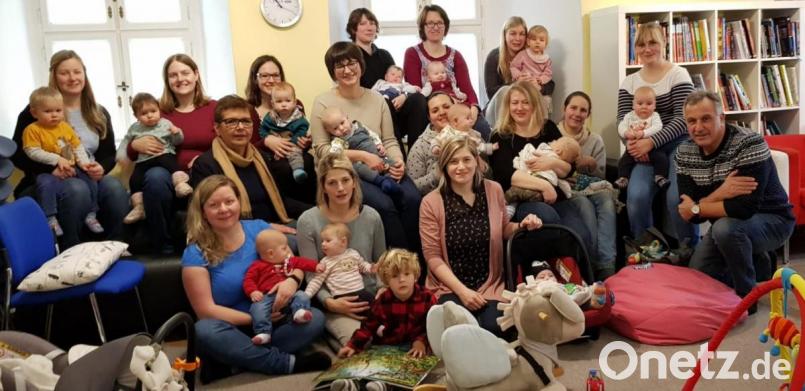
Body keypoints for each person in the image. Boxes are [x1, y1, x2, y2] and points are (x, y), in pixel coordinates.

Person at [182, 175, 329, 380]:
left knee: (315, 319)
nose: (224, 209)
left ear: (239, 202)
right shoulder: (195, 252)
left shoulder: (259, 228)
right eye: (214, 205)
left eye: (229, 201)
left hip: (276, 321)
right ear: (204, 212)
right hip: (232, 328)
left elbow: (295, 264)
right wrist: (257, 318)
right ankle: (285, 363)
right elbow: (206, 311)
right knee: (204, 330)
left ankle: (234, 362)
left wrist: (292, 280)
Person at [676, 91, 794, 311]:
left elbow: (744, 208)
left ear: (721, 118)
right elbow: (688, 215)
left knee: (725, 229)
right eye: (691, 121)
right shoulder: (684, 152)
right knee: (699, 275)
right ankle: (758, 261)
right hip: (727, 223)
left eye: (706, 118)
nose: (698, 127)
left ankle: (747, 297)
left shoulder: (748, 143)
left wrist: (697, 207)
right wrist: (722, 191)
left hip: (773, 220)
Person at [420, 137, 542, 337]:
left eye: (466, 160)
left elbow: (502, 229)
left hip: (489, 283)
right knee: (456, 332)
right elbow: (432, 256)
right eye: (453, 161)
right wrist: (462, 291)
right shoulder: (430, 202)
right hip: (450, 285)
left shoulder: (494, 190)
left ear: (477, 161)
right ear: (444, 166)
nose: (461, 167)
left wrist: (522, 225)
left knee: (498, 329)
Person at [310, 41, 421, 254]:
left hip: (382, 163)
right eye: (339, 66)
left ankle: (419, 266)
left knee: (413, 198)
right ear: (332, 72)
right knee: (385, 205)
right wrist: (361, 156)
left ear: (361, 65)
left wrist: (398, 163)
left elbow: (389, 140)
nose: (347, 70)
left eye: (352, 63)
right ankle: (400, 266)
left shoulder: (377, 99)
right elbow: (322, 151)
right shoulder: (323, 102)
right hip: (346, 173)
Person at [12, 50, 128, 249]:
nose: (72, 78)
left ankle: (115, 247)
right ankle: (71, 249)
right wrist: (51, 169)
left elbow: (108, 153)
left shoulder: (98, 112)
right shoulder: (36, 111)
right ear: (54, 77)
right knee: (77, 189)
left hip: (86, 173)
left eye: (77, 71)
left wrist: (101, 167)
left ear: (84, 74)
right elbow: (19, 153)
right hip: (47, 180)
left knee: (114, 188)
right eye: (64, 73)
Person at [489, 81, 597, 270]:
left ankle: (585, 280)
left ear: (534, 105)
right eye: (515, 103)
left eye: (525, 102)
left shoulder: (547, 128)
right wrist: (544, 186)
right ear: (508, 105)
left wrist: (552, 163)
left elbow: (569, 168)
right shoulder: (501, 135)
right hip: (523, 199)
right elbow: (506, 175)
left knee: (580, 234)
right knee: (550, 222)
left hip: (558, 197)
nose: (519, 107)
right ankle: (557, 276)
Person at [126, 53, 218, 254]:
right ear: (167, 81)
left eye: (185, 72)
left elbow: (226, 141)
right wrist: (136, 145)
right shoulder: (157, 110)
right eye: (173, 75)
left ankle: (212, 243)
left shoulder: (213, 108)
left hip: (205, 171)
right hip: (167, 174)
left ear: (196, 75)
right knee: (155, 176)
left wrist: (205, 158)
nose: (180, 79)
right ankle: (163, 247)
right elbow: (131, 153)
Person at [617, 22, 697, 243]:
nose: (647, 48)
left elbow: (684, 120)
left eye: (652, 42)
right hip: (641, 150)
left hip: (678, 145)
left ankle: (689, 253)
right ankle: (646, 253)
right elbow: (622, 120)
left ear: (664, 43)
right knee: (636, 198)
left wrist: (651, 142)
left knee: (676, 199)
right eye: (641, 44)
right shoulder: (629, 82)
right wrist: (632, 145)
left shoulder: (678, 75)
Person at [296, 154, 386, 347]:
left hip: (371, 296)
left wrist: (383, 291)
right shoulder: (308, 221)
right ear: (323, 187)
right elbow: (312, 274)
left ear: (354, 182)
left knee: (400, 332)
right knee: (360, 343)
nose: (340, 188)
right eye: (332, 183)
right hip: (337, 300)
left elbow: (381, 262)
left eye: (345, 180)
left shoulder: (371, 216)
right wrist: (330, 303)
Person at [189, 95, 307, 224]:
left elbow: (281, 201)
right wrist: (263, 228)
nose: (240, 127)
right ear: (217, 128)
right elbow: (213, 217)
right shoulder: (205, 165)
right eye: (231, 122)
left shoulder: (262, 157)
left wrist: (318, 212)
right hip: (236, 233)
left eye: (246, 121)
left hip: (275, 223)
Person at [403, 4, 492, 140]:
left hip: (458, 107)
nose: (436, 27)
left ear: (445, 26)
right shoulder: (412, 53)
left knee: (482, 128)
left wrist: (474, 108)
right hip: (431, 110)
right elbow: (417, 93)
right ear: (423, 26)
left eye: (440, 23)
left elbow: (467, 88)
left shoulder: (456, 55)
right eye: (430, 23)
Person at [22, 87, 101, 236]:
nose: (54, 115)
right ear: (34, 113)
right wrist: (56, 160)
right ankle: (50, 217)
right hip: (48, 171)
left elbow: (77, 147)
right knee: (45, 184)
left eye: (58, 111)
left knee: (90, 178)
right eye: (48, 111)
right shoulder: (32, 130)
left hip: (72, 167)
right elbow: (32, 151)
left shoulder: (65, 127)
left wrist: (84, 163)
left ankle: (92, 214)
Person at [348, 8, 429, 150]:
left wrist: (404, 96)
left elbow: (396, 83)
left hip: (395, 107)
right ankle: (399, 160)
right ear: (354, 29)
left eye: (372, 23)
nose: (369, 27)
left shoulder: (384, 55)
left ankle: (416, 154)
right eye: (363, 23)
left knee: (418, 99)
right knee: (384, 101)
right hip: (369, 111)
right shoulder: (350, 56)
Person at [557, 91, 617, 279]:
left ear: (588, 115)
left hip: (591, 185)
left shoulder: (595, 140)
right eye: (573, 107)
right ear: (564, 109)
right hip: (565, 187)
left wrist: (590, 165)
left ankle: (607, 265)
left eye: (583, 110)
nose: (577, 113)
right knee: (585, 206)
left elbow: (601, 178)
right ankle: (590, 265)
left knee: (607, 199)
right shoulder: (552, 133)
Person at [244, 55, 316, 204]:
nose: (270, 80)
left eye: (275, 75)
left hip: (294, 152)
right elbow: (245, 145)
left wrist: (305, 141)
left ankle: (311, 209)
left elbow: (300, 129)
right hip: (264, 159)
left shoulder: (296, 105)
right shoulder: (248, 109)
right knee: (282, 168)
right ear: (255, 79)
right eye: (264, 75)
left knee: (308, 160)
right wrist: (267, 141)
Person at [117, 92, 192, 224]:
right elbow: (125, 142)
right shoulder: (135, 128)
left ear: (159, 110)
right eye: (144, 113)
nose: (150, 115)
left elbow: (177, 141)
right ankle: (139, 206)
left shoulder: (165, 123)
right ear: (136, 116)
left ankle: (180, 184)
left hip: (163, 154)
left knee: (171, 163)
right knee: (135, 179)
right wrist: (121, 155)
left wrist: (177, 133)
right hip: (143, 161)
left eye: (153, 111)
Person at [244, 229, 321, 345]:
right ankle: (263, 332)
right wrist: (252, 291)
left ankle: (299, 312)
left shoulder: (288, 261)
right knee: (256, 308)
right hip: (267, 296)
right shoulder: (257, 266)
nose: (288, 252)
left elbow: (302, 262)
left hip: (290, 295)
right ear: (271, 253)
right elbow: (248, 280)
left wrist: (316, 266)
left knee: (302, 295)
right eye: (284, 248)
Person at [321, 107, 401, 195]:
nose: (341, 128)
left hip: (376, 153)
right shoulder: (338, 141)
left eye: (342, 123)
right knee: (359, 169)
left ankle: (391, 178)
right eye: (335, 128)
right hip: (362, 163)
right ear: (329, 131)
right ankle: (382, 181)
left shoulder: (358, 125)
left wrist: (379, 144)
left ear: (347, 117)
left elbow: (372, 134)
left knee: (391, 163)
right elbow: (334, 153)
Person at [303, 223, 376, 314]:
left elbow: (362, 266)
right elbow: (316, 281)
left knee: (377, 305)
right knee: (370, 312)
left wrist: (370, 268)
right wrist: (306, 296)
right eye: (322, 241)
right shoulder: (325, 262)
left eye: (327, 240)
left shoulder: (353, 253)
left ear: (343, 242)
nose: (322, 244)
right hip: (341, 297)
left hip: (360, 291)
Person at [616, 86, 668, 189]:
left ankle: (659, 176)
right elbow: (621, 126)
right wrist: (626, 133)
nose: (644, 107)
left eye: (649, 104)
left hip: (652, 147)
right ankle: (623, 178)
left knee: (662, 158)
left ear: (654, 105)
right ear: (633, 105)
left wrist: (643, 133)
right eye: (640, 104)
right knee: (624, 161)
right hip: (633, 147)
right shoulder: (629, 116)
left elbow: (658, 127)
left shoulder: (654, 116)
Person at [258, 82, 310, 184]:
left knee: (295, 153)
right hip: (273, 147)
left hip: (292, 144)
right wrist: (267, 137)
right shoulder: (270, 117)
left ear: (295, 102)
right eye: (279, 101)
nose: (284, 104)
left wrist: (290, 143)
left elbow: (302, 131)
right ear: (272, 104)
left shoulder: (299, 118)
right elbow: (262, 130)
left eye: (288, 101)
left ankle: (298, 170)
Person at [505, 136, 581, 203]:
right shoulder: (557, 160)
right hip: (542, 185)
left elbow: (530, 155)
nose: (553, 140)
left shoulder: (548, 152)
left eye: (556, 141)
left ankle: (507, 203)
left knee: (514, 192)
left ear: (558, 151)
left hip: (536, 179)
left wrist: (520, 158)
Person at [407, 93, 454, 195]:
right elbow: (411, 189)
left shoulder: (471, 135)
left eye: (446, 107)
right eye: (435, 111)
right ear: (429, 117)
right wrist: (436, 176)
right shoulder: (420, 146)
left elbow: (488, 174)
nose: (442, 112)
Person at [510, 25, 553, 113]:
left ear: (546, 43)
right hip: (524, 82)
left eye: (541, 40)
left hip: (537, 85)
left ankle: (542, 122)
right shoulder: (523, 54)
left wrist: (540, 80)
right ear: (528, 42)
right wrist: (519, 76)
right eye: (534, 39)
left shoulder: (547, 59)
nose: (537, 42)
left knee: (546, 100)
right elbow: (513, 66)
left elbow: (548, 73)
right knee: (525, 101)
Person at [484, 16, 527, 100]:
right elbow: (491, 93)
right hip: (500, 105)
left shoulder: (530, 55)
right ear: (504, 35)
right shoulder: (494, 57)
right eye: (513, 33)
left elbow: (550, 85)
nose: (518, 38)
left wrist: (539, 85)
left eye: (522, 34)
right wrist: (515, 84)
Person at [431, 103, 496, 157]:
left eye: (471, 117)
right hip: (451, 160)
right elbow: (436, 140)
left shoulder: (472, 133)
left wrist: (490, 148)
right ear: (456, 121)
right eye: (468, 118)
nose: (471, 120)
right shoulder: (447, 131)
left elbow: (479, 147)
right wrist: (435, 147)